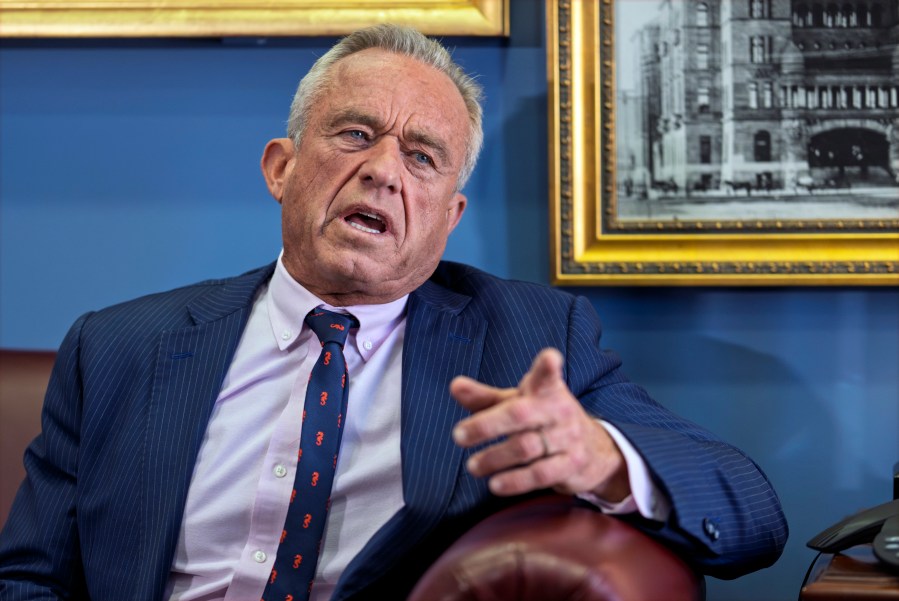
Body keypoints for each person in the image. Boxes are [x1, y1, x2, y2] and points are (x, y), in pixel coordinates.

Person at [0, 24, 787, 601]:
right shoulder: (117, 347)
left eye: (421, 156)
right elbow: (31, 576)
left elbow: (749, 511)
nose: (382, 172)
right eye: (354, 134)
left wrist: (597, 458)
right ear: (281, 167)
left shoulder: (526, 338)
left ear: (449, 215)